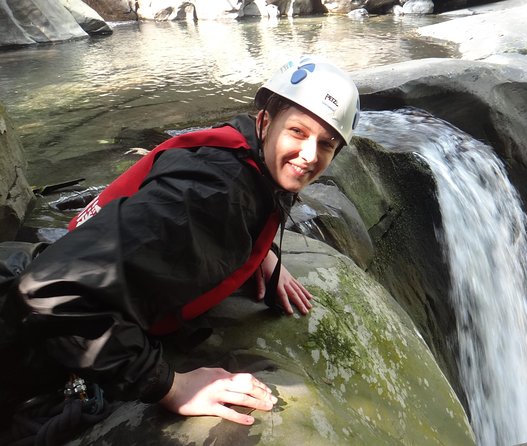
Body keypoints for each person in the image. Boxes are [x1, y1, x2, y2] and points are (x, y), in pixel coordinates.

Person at [0, 55, 360, 437]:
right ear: (266, 122)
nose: (309, 156)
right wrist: (169, 385)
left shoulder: (244, 155)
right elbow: (46, 291)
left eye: (327, 143)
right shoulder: (207, 197)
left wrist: (258, 250)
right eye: (298, 132)